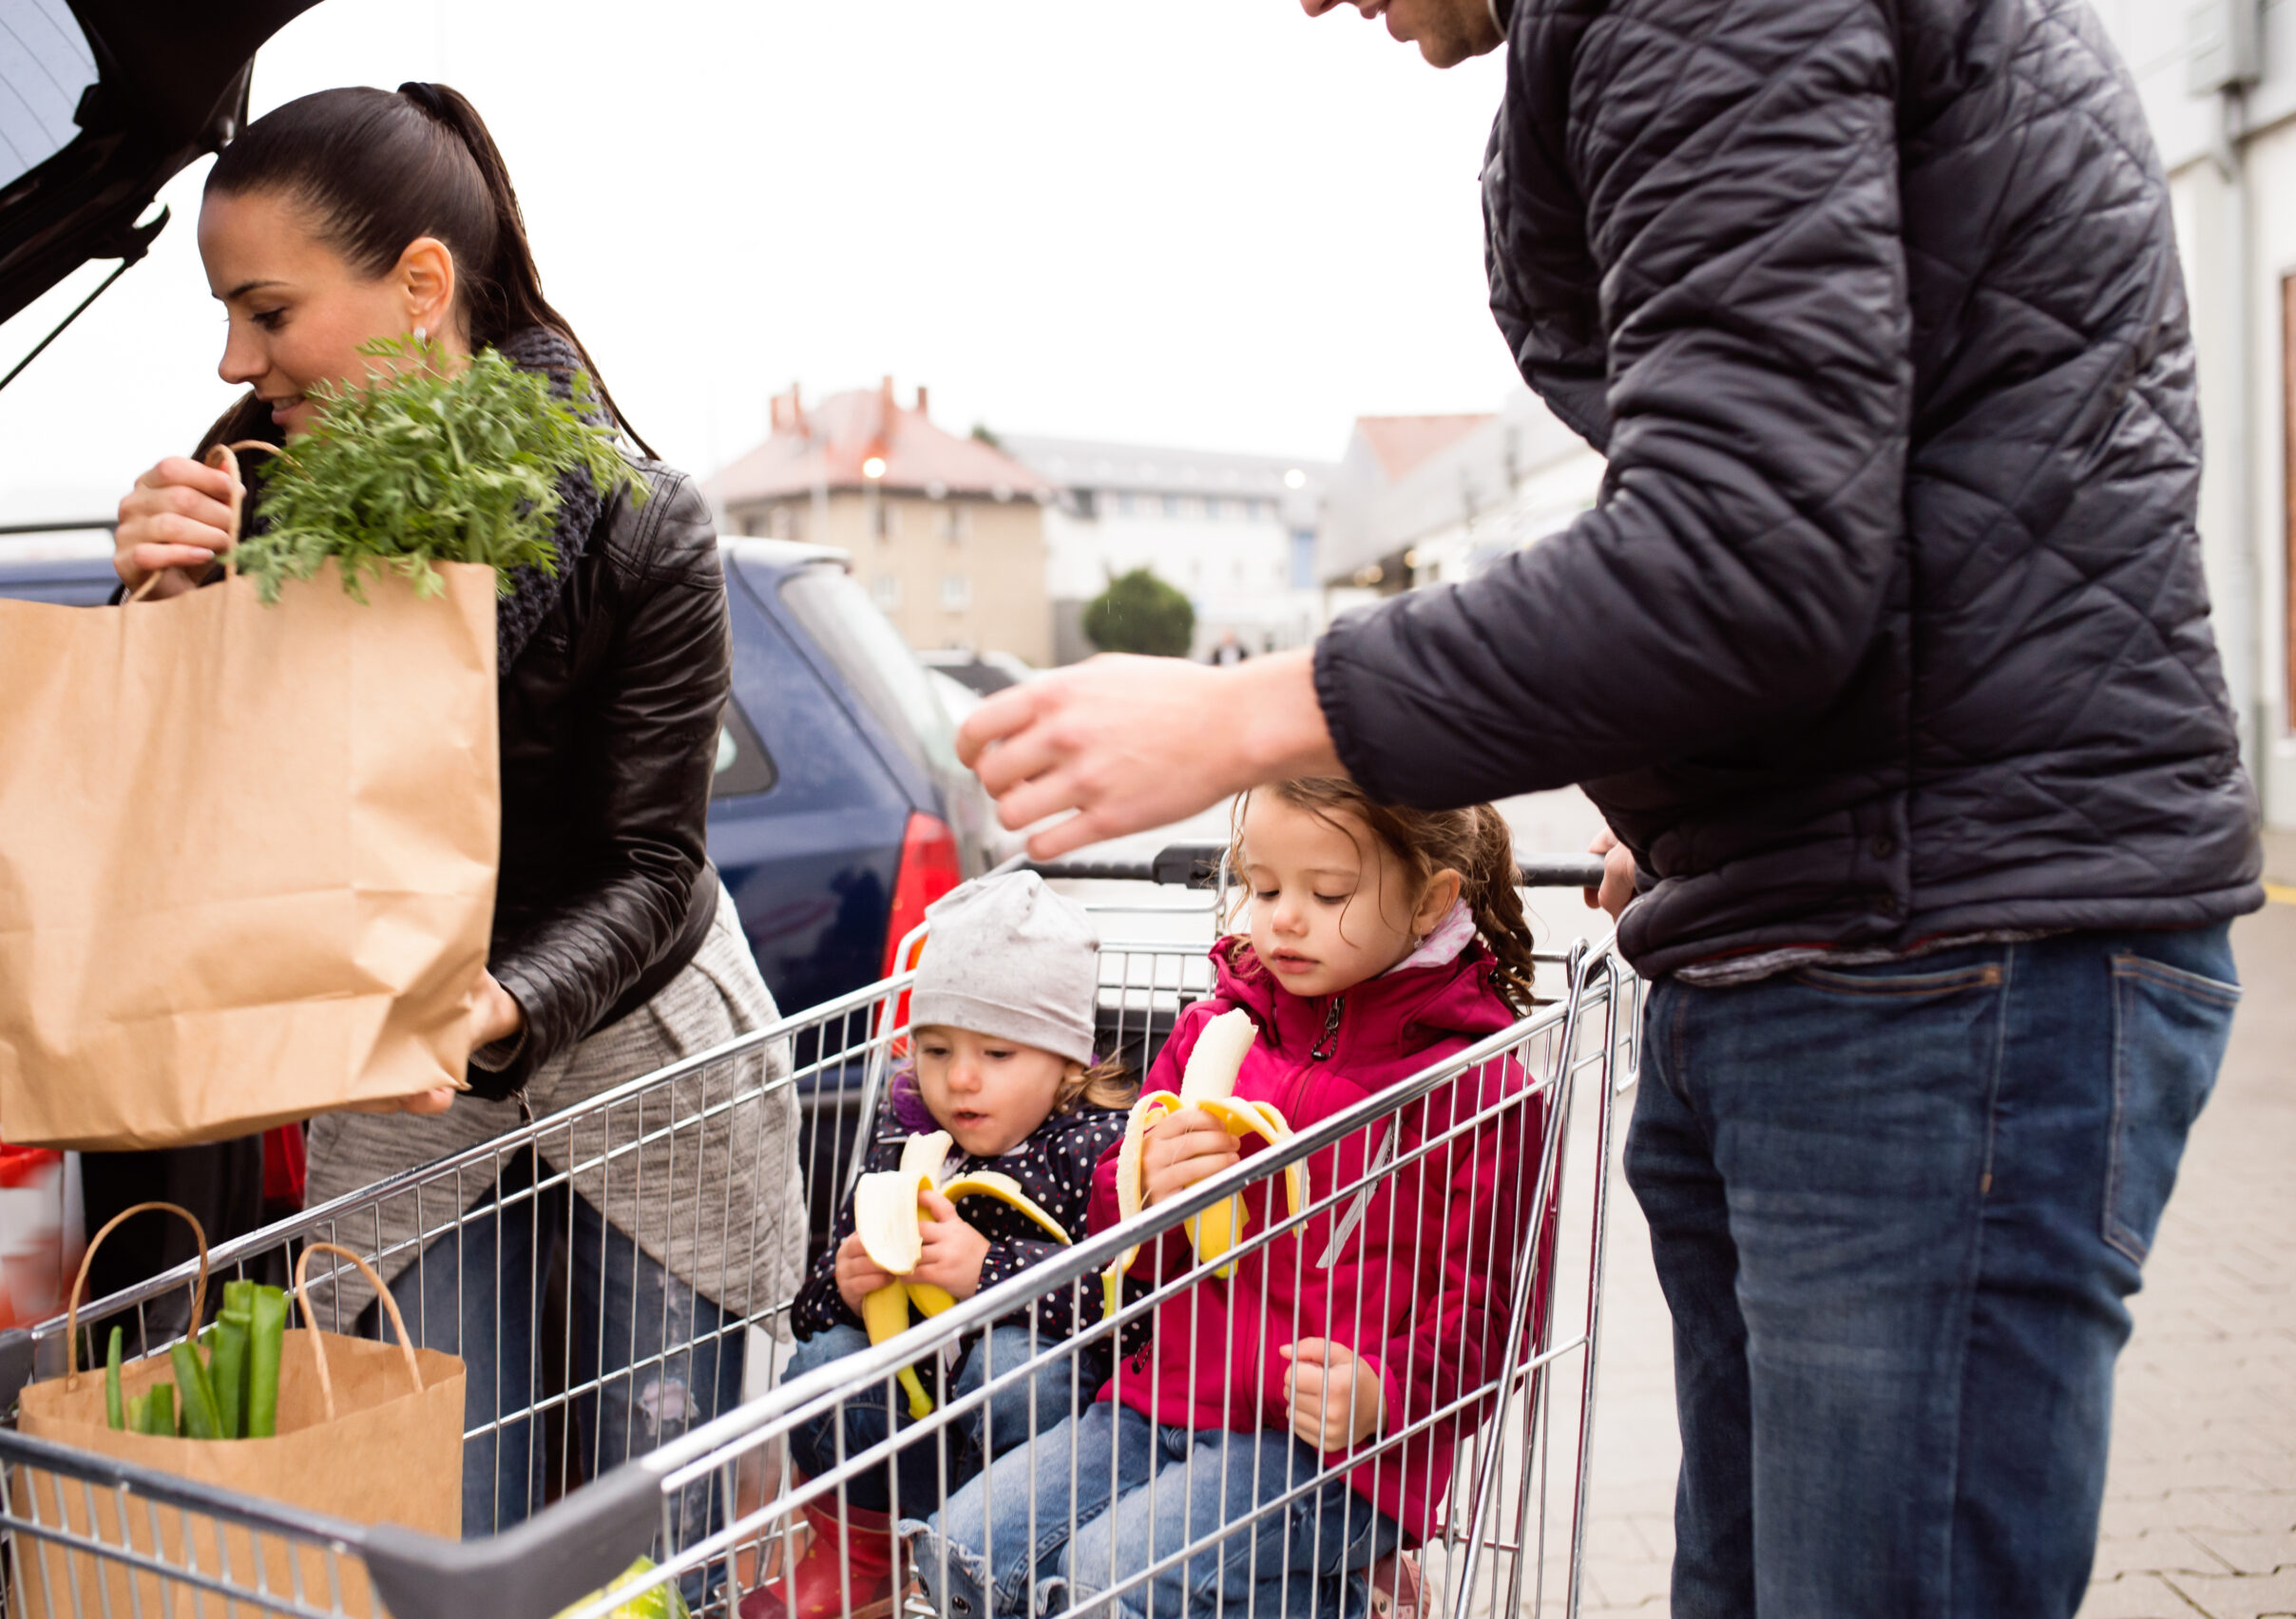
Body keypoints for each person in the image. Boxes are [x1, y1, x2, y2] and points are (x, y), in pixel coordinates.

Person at [952, 4, 2263, 1615]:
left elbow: (1750, 544)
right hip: (1849, 907)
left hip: (1932, 949)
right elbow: (1852, 494)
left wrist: (1243, 713)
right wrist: (1710, 791)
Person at [107, 83, 806, 1539]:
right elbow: (191, 822)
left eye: (266, 309)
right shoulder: (251, 499)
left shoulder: (642, 519)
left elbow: (655, 866)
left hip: (642, 1076)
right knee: (431, 1519)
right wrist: (154, 618)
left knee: (640, 1541)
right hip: (397, 1093)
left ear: (420, 286)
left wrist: (498, 1004)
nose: (237, 356)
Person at [914, 780, 1545, 1619]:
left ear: (1430, 901)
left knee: (1108, 1579)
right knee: (962, 1549)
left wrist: (1384, 1390)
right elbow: (1116, 1233)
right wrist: (1146, 1188)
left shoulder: (1476, 1087)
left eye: (1327, 894)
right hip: (1161, 1398)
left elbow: (1494, 1315)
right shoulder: (1215, 1027)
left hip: (1334, 1451)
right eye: (1263, 885)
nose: (1281, 917)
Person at [750, 873, 1131, 1619]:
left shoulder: (1091, 1154)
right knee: (822, 1363)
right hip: (908, 1444)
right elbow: (810, 1307)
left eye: (996, 1053)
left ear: (1066, 1061)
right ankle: (862, 1558)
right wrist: (847, 1282)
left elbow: (1125, 1301)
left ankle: (1009, 1580)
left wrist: (989, 1272)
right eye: (935, 1049)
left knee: (1015, 1368)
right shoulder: (907, 1140)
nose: (959, 1079)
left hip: (1027, 1459)